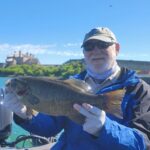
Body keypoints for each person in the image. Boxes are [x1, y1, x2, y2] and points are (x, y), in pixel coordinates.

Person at [3, 27, 150, 150]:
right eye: (89, 46)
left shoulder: (139, 90)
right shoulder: (70, 83)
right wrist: (25, 115)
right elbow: (49, 128)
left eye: (103, 44)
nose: (96, 50)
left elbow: (144, 143)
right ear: (84, 53)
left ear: (117, 48)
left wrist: (105, 128)